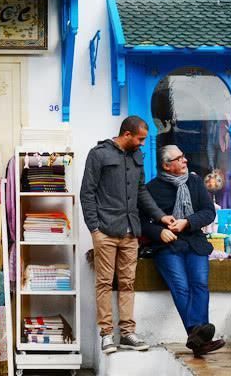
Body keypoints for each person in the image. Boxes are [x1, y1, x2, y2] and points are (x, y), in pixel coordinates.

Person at [80, 116, 175, 354]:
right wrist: (95, 228)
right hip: (106, 230)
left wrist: (161, 216)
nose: (143, 143)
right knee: (103, 282)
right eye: (140, 138)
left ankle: (127, 333)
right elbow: (87, 193)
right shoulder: (98, 154)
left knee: (127, 283)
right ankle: (105, 334)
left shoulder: (137, 157)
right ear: (127, 135)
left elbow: (141, 191)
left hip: (131, 230)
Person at [141, 145, 226, 357]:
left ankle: (197, 339)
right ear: (166, 166)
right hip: (167, 246)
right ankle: (200, 337)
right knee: (181, 287)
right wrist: (159, 232)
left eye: (184, 156)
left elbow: (208, 213)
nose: (185, 160)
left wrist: (187, 222)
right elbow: (140, 222)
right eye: (179, 158)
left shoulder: (195, 182)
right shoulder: (152, 189)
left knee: (200, 284)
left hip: (195, 241)